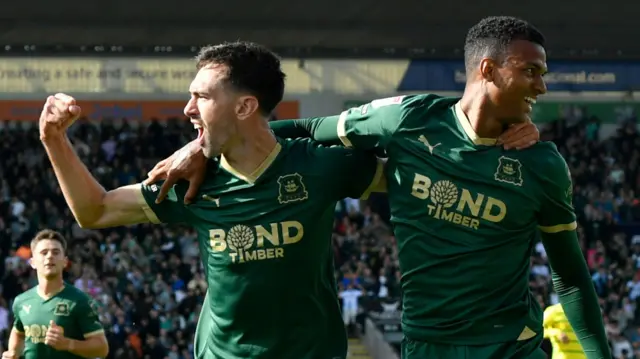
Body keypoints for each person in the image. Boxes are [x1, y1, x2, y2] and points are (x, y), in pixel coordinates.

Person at [145, 17, 610, 359]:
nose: (542, 86)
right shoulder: (405, 120)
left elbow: (570, 275)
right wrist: (202, 147)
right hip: (425, 346)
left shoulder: (542, 164)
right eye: (531, 71)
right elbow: (300, 128)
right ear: (487, 69)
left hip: (513, 345)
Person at [39, 42, 387, 359]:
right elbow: (95, 211)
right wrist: (53, 139)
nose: (188, 108)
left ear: (245, 106)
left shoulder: (320, 166)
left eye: (202, 97)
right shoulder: (193, 180)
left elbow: (406, 176)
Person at [1, 230, 108, 359]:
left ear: (64, 261)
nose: (50, 256)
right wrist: (13, 352)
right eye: (44, 253)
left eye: (56, 252)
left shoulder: (80, 300)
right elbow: (18, 332)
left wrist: (68, 344)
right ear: (33, 262)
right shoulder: (21, 301)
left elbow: (102, 348)